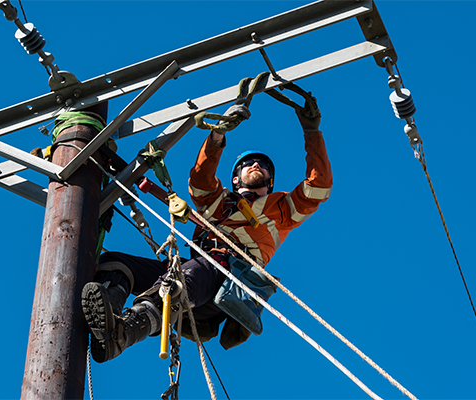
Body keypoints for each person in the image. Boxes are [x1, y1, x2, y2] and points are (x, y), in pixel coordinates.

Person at [81, 97, 332, 363]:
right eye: (249, 164)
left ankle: (125, 333)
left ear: (270, 182)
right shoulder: (218, 202)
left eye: (264, 166)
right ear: (235, 179)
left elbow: (319, 187)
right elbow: (200, 181)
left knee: (186, 276)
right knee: (114, 263)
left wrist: (311, 132)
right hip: (197, 276)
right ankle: (107, 320)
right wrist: (218, 134)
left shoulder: (281, 208)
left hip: (225, 281)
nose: (257, 165)